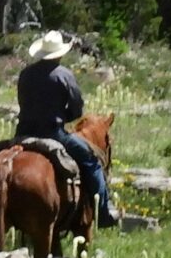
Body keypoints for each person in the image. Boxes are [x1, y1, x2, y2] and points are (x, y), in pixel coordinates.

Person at [14, 30, 109, 225]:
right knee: (91, 161)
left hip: (23, 133)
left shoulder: (25, 74)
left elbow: (23, 103)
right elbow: (77, 108)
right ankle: (104, 212)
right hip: (54, 134)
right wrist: (65, 116)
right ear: (59, 54)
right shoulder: (64, 75)